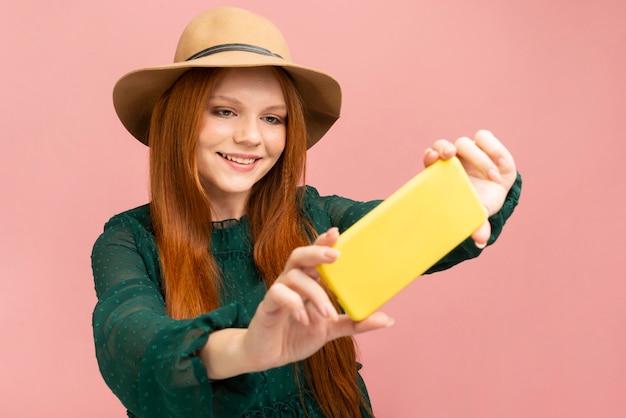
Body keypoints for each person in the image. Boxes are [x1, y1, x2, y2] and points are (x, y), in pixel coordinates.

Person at [91, 6, 521, 418]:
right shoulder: (129, 240)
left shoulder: (316, 217)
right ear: (179, 119)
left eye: (273, 119)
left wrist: (469, 196)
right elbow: (129, 341)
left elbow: (407, 233)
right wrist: (245, 348)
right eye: (224, 111)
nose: (250, 137)